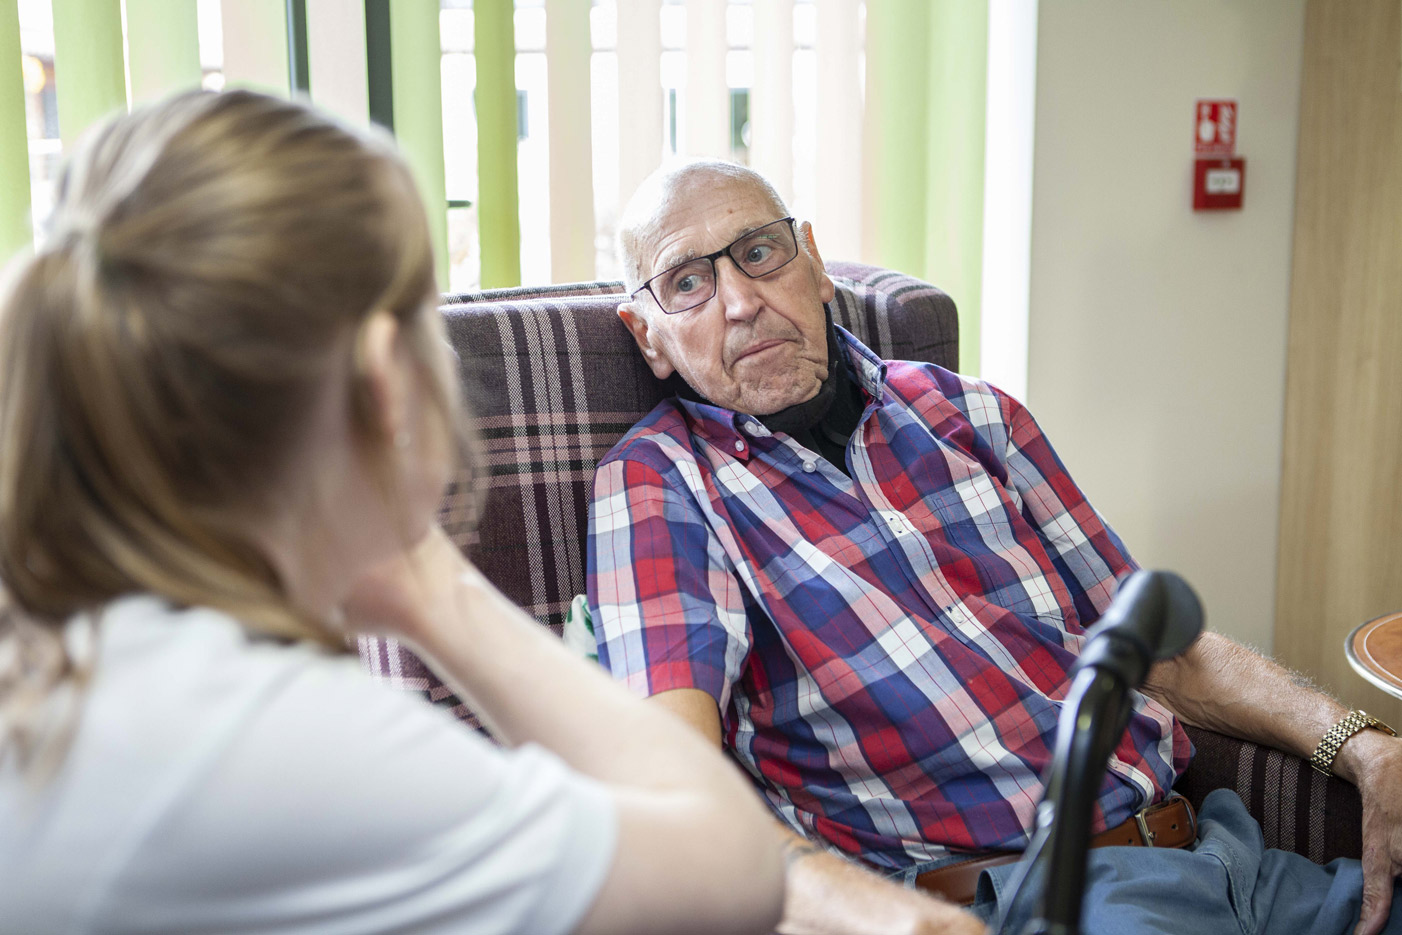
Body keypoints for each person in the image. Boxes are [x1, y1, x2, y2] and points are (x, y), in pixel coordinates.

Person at [0, 92, 791, 935]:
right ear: (386, 381)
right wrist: (431, 585)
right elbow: (731, 872)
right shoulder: (263, 745)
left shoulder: (83, 656)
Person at [586, 158, 1402, 935]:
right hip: (1040, 895)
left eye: (759, 252)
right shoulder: (661, 485)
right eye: (687, 282)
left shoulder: (971, 414)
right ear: (648, 334)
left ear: (814, 261)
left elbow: (1167, 655)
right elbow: (677, 776)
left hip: (1225, 849)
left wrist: (1364, 746)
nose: (739, 301)